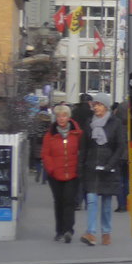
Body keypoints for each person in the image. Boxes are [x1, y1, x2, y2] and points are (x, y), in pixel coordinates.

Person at [79, 93, 127, 246]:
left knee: (106, 203)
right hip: (92, 166)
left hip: (108, 167)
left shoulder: (116, 123)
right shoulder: (88, 122)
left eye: (98, 104)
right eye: (95, 105)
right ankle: (91, 233)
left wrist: (111, 165)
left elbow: (120, 146)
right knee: (92, 200)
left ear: (105, 106)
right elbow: (84, 146)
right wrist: (82, 164)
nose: (95, 107)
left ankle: (106, 233)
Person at [40, 104, 83, 243]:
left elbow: (82, 151)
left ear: (68, 117)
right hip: (55, 174)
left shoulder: (77, 133)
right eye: (58, 116)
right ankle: (59, 230)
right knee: (59, 202)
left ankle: (68, 230)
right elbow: (45, 154)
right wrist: (51, 168)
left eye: (63, 115)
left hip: (72, 173)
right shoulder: (50, 135)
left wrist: (79, 167)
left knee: (69, 201)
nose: (61, 119)